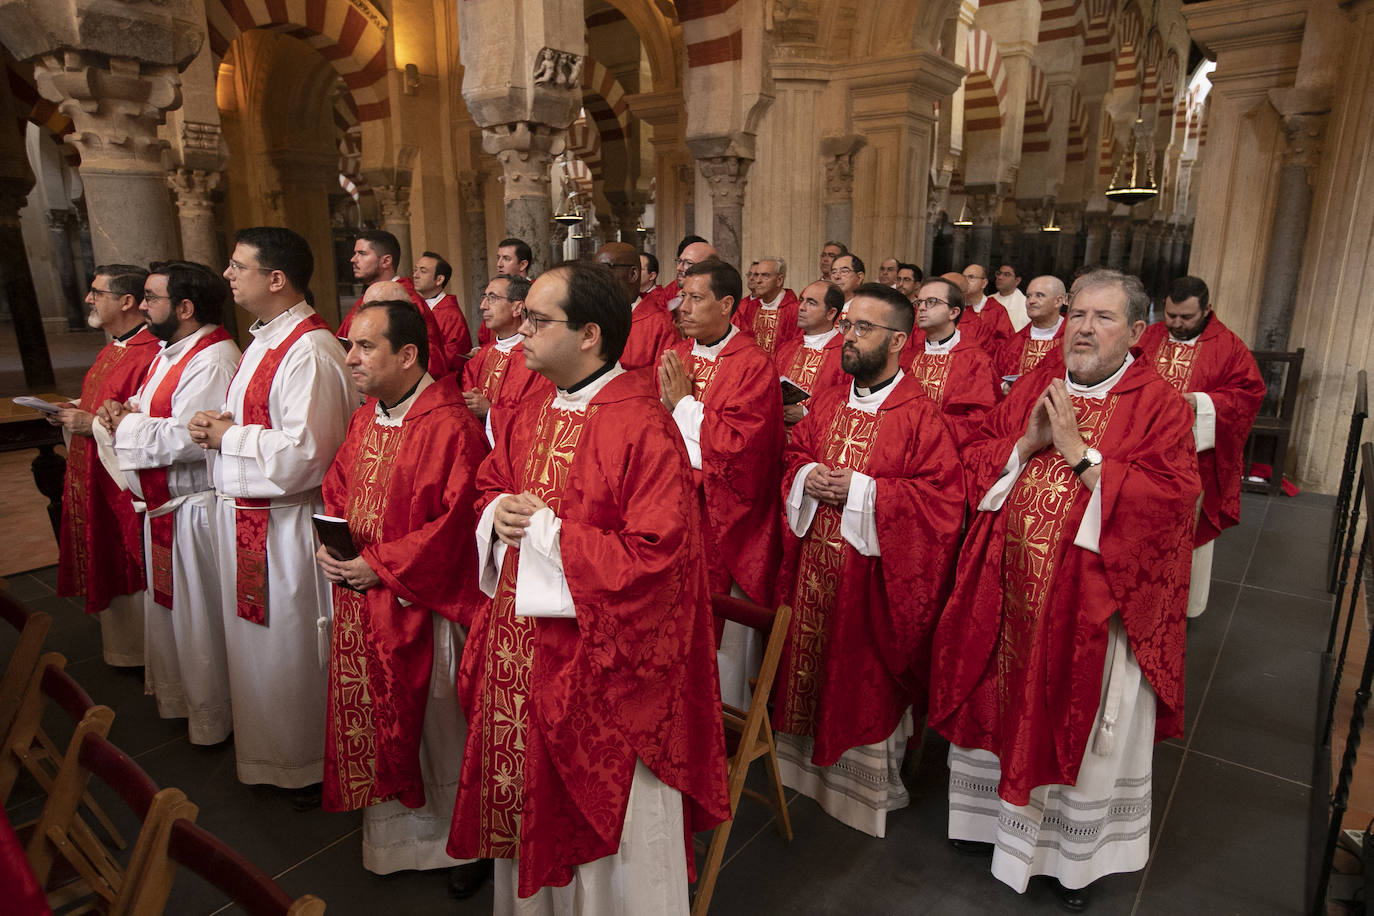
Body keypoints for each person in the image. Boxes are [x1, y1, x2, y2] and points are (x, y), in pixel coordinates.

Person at [448, 262, 730, 912]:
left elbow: (657, 561)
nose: (521, 329)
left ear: (589, 334)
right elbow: (492, 484)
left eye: (537, 320)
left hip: (601, 669)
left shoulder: (643, 425)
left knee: (608, 854)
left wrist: (548, 533)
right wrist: (497, 514)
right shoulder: (534, 408)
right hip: (520, 649)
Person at [929, 269, 1200, 911]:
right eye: (1077, 314)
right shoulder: (1037, 384)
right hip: (1008, 589)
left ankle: (1065, 861)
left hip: (1091, 608)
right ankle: (985, 824)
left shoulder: (1159, 405)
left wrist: (1082, 455)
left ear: (1137, 332)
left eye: (1103, 318)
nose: (1083, 328)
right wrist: (1026, 444)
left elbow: (1171, 503)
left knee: (1070, 720)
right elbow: (975, 455)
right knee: (999, 700)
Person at [774, 282, 963, 837]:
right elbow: (795, 453)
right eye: (847, 326)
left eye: (862, 328)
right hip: (813, 569)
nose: (847, 338)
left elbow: (943, 504)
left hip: (871, 585)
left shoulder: (921, 417)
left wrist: (864, 492)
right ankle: (798, 768)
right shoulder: (830, 400)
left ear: (899, 340)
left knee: (859, 673)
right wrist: (807, 476)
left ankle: (858, 790)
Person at [318, 299, 491, 893]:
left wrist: (381, 565)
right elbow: (338, 487)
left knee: (440, 731)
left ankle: (461, 843)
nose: (350, 358)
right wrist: (333, 545)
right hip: (365, 598)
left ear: (408, 354)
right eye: (351, 346)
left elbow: (458, 524)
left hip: (424, 610)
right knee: (383, 719)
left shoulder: (451, 426)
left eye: (365, 347)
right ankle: (396, 840)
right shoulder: (370, 416)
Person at [189, 226, 356, 800]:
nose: (228, 275)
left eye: (239, 266)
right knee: (258, 651)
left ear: (277, 279)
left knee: (289, 650)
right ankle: (272, 755)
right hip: (249, 521)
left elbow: (310, 454)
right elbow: (262, 423)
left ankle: (306, 763)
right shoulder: (264, 340)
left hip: (286, 527)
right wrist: (219, 424)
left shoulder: (310, 349)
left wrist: (229, 436)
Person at [101, 260, 239, 744]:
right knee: (177, 616)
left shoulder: (213, 357)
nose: (142, 306)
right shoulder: (169, 352)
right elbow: (150, 411)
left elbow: (189, 437)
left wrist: (127, 425)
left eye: (151, 298)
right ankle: (187, 703)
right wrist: (124, 412)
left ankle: (215, 716)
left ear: (184, 307)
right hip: (166, 511)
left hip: (194, 510)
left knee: (200, 622)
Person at [660, 259, 784, 709]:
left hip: (723, 522)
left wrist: (683, 404)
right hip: (673, 517)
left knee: (720, 652)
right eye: (683, 297)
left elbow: (741, 450)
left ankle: (725, 730)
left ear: (727, 304)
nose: (684, 308)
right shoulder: (677, 355)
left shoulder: (753, 365)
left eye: (696, 298)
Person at [1137, 275, 1264, 617]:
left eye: (1186, 317)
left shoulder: (1228, 346)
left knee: (1186, 536)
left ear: (1207, 309)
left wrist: (1202, 402)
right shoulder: (1150, 336)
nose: (1176, 324)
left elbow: (1249, 395)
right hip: (1141, 455)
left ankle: (1180, 607)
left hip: (1195, 460)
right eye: (1171, 315)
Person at [53, 263, 161, 665]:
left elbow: (148, 422)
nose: (88, 299)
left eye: (97, 292)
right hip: (96, 469)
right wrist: (76, 411)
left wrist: (92, 424)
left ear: (127, 301)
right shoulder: (115, 347)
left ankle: (143, 652)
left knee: (127, 558)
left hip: (122, 481)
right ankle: (123, 648)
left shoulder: (149, 352)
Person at [902, 277, 1002, 446]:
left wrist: (927, 425)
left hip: (949, 449)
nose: (922, 308)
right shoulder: (907, 357)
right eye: (919, 302)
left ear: (953, 312)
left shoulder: (976, 361)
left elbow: (982, 422)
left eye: (931, 302)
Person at [338, 229, 449, 378]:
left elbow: (427, 363)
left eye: (362, 253)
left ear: (386, 261)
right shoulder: (368, 297)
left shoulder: (407, 302)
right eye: (355, 253)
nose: (353, 259)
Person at [460, 275, 538, 445]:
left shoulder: (535, 360)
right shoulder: (478, 359)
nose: (483, 306)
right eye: (484, 297)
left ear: (517, 308)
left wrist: (490, 412)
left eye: (492, 298)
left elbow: (534, 421)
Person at [773, 280, 848, 429]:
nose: (801, 307)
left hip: (818, 437)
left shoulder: (846, 355)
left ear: (831, 313)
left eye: (811, 303)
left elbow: (847, 406)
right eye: (802, 300)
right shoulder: (785, 350)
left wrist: (808, 415)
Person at [595, 241, 677, 370]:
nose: (597, 278)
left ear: (633, 274)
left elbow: (664, 378)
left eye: (605, 269)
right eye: (595, 270)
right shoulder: (589, 316)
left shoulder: (660, 325)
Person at [995, 274, 1067, 393]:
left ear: (1058, 301)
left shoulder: (1073, 340)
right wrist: (1004, 387)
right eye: (1028, 296)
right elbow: (994, 378)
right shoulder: (1011, 345)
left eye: (1039, 295)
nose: (1031, 301)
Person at [412, 250, 473, 365]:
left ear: (439, 279)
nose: (415, 275)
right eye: (415, 270)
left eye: (423, 271)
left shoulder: (451, 315)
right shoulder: (414, 306)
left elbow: (455, 358)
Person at [733, 257, 800, 354]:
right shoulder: (750, 307)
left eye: (765, 275)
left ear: (779, 280)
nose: (758, 280)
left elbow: (796, 346)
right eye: (757, 275)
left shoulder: (794, 310)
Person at [476, 238, 534, 347]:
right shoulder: (494, 288)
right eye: (498, 258)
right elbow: (485, 336)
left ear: (523, 264)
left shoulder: (537, 294)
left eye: (506, 259)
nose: (499, 264)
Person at [960, 263, 1014, 348]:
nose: (965, 281)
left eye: (971, 277)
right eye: (963, 278)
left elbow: (1006, 344)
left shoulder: (996, 310)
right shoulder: (955, 308)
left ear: (984, 283)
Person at [991, 263, 1029, 332]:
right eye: (999, 273)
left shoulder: (1026, 304)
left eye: (1006, 275)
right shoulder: (988, 300)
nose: (1000, 277)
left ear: (1017, 280)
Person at [831, 254, 864, 318]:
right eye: (834, 272)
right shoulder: (826, 307)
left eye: (844, 271)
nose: (836, 276)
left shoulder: (865, 308)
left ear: (859, 277)